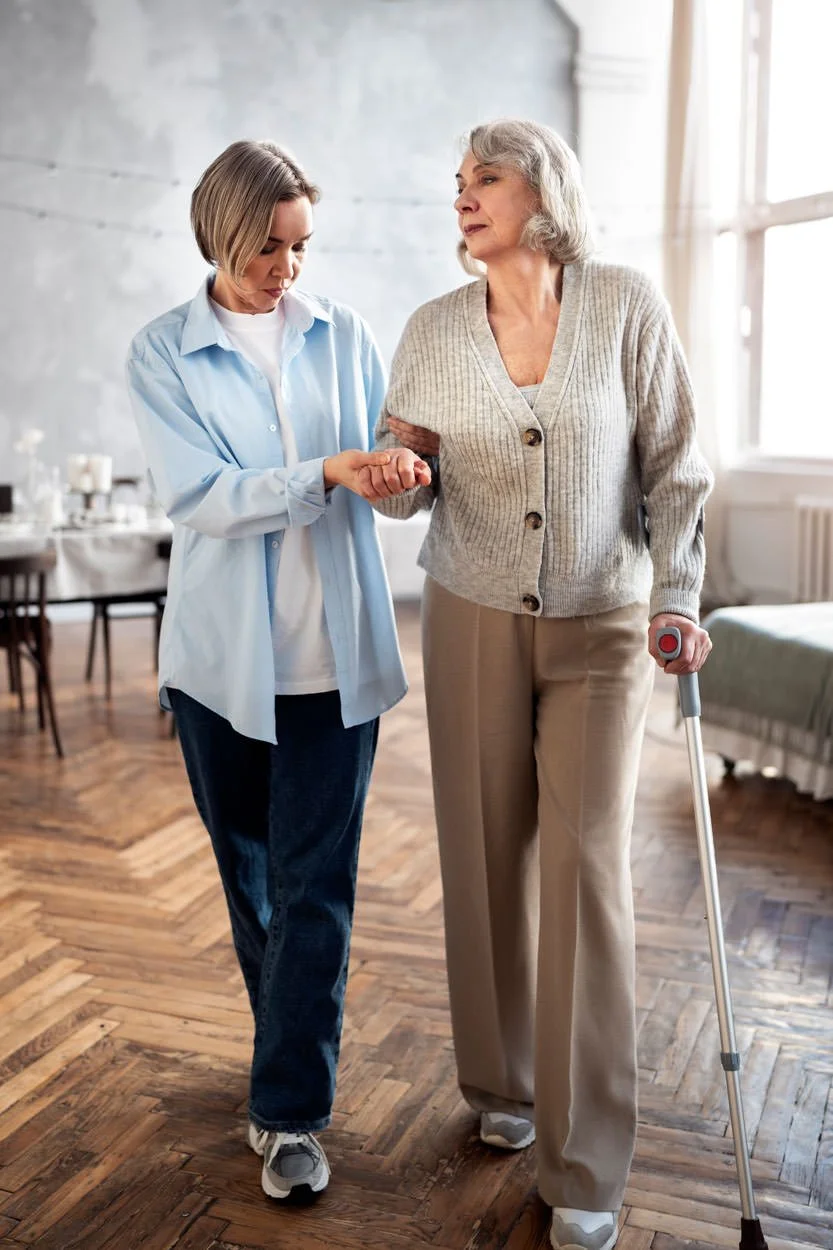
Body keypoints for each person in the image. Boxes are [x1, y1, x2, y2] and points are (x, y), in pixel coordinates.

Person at [363, 119, 714, 1250]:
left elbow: (674, 459)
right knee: (480, 847)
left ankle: (584, 1157)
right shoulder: (429, 328)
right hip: (467, 610)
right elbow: (402, 468)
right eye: (455, 179)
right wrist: (392, 475)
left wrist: (677, 593)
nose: (461, 195)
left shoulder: (619, 304)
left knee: (582, 869)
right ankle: (503, 1084)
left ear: (542, 191)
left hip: (604, 623)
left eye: (486, 177)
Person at [126, 139, 429, 1204]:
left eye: (301, 247)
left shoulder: (344, 335)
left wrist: (398, 472)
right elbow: (202, 495)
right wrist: (324, 472)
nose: (287, 269)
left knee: (318, 887)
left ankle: (291, 1109)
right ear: (219, 229)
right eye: (267, 246)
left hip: (333, 663)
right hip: (221, 668)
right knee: (251, 874)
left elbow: (384, 478)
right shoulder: (163, 352)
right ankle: (284, 1047)